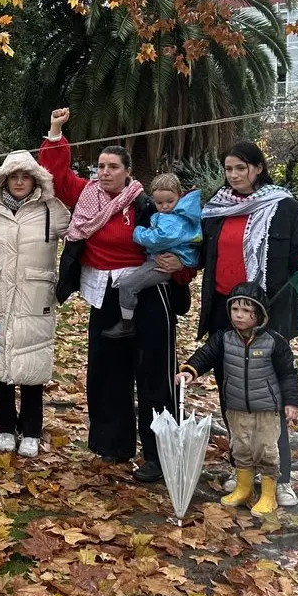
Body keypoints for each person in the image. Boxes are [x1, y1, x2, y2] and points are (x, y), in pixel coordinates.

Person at [38, 108, 192, 483]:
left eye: (112, 167)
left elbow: (182, 238)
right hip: (103, 294)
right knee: (107, 373)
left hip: (148, 291)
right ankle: (113, 445)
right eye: (101, 166)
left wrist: (180, 268)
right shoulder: (86, 196)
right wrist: (56, 132)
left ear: (127, 172)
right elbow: (57, 176)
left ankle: (159, 453)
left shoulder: (143, 204)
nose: (104, 172)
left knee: (154, 374)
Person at [191, 140, 298, 507]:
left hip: (268, 317)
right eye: (228, 169)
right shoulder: (218, 208)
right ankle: (241, 468)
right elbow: (201, 254)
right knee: (234, 395)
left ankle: (281, 476)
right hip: (224, 314)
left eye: (240, 168)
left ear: (258, 168)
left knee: (268, 398)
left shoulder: (284, 207)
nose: (233, 176)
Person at [176, 281, 298, 516]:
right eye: (235, 310)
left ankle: (268, 494)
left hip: (266, 408)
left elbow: (288, 373)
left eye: (246, 311)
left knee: (266, 450)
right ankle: (244, 488)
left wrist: (291, 402)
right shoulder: (223, 338)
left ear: (259, 314)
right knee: (241, 448)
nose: (239, 316)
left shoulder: (274, 342)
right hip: (236, 406)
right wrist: (190, 370)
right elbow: (206, 355)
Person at [0, 151, 71, 458]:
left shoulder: (51, 210)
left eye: (25, 176)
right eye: (14, 177)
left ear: (35, 179)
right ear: (4, 179)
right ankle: (5, 427)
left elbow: (79, 240)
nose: (19, 182)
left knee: (33, 363)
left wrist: (62, 287)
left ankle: (31, 430)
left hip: (35, 295)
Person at [113, 173, 202, 325]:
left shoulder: (175, 218)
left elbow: (160, 239)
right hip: (167, 261)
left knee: (129, 284)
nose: (165, 206)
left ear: (179, 196)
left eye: (170, 201)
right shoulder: (179, 213)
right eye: (159, 202)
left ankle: (126, 322)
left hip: (164, 263)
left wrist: (138, 232)